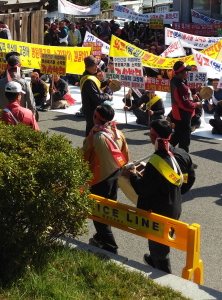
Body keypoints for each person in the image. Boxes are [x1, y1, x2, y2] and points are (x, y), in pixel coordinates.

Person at [122, 119, 195, 273]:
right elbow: (190, 178)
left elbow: (143, 189)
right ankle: (154, 260)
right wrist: (176, 191)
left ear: (154, 137)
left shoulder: (155, 162)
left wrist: (132, 176)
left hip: (159, 211)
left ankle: (164, 275)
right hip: (175, 205)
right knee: (162, 242)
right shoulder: (182, 154)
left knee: (159, 247)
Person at [82, 104, 129, 254]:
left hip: (98, 180)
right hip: (115, 177)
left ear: (96, 117)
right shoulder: (118, 133)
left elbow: (83, 158)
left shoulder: (94, 137)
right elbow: (125, 156)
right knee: (107, 211)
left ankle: (110, 247)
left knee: (98, 214)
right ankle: (99, 237)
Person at [169, 61, 200, 152]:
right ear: (180, 73)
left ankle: (164, 150)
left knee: (177, 135)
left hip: (177, 113)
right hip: (183, 115)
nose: (187, 72)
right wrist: (197, 104)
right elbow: (186, 105)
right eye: (186, 71)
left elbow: (184, 97)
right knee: (185, 140)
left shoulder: (175, 80)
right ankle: (183, 157)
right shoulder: (180, 86)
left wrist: (193, 94)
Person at [80, 56, 113, 136]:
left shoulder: (88, 76)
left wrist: (106, 83)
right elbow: (97, 97)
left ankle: (87, 144)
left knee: (90, 133)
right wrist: (108, 97)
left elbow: (98, 86)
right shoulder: (88, 80)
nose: (97, 67)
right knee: (95, 134)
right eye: (95, 65)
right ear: (89, 66)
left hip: (89, 108)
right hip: (91, 110)